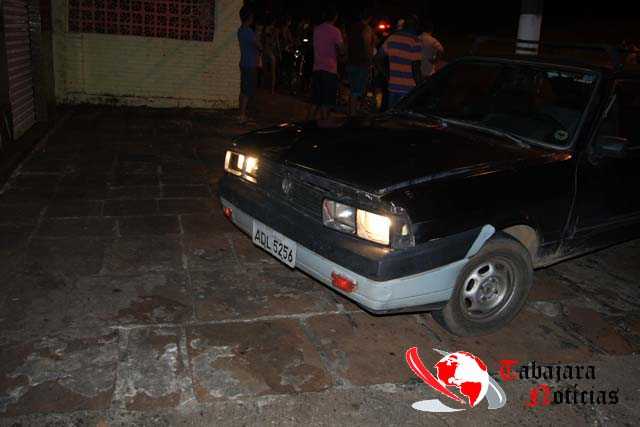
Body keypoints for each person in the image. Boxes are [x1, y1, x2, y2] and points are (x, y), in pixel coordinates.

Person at [311, 7, 344, 120]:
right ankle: (324, 124)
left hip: (317, 67)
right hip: (329, 69)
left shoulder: (317, 29)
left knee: (315, 101)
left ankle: (306, 124)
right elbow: (341, 49)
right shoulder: (335, 31)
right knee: (326, 102)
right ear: (335, 17)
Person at [381, 15, 422, 108]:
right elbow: (415, 67)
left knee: (392, 115)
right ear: (416, 26)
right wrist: (420, 86)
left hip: (393, 87)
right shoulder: (415, 41)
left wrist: (387, 75)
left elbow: (377, 59)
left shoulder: (392, 38)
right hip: (408, 89)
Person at [346, 10, 374, 115]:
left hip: (350, 62)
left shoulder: (352, 28)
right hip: (361, 63)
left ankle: (352, 111)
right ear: (369, 18)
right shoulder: (366, 28)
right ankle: (353, 114)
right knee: (358, 90)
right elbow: (367, 45)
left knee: (353, 89)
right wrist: (370, 59)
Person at [237, 6, 260, 124]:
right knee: (247, 91)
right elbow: (258, 45)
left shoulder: (241, 30)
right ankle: (242, 116)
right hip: (249, 64)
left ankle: (242, 114)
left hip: (244, 62)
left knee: (244, 90)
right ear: (249, 17)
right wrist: (258, 34)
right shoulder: (248, 31)